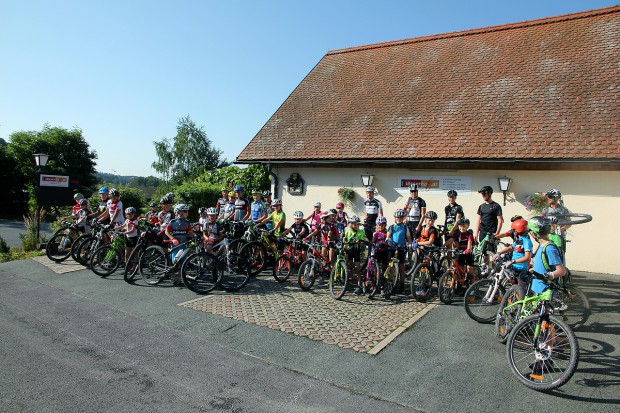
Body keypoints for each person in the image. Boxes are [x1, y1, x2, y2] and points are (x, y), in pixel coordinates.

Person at [527, 216, 566, 294]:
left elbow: (561, 271)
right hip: (537, 289)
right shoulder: (542, 246)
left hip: (545, 292)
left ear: (534, 234)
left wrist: (548, 275)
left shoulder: (550, 248)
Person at [494, 218, 532, 292]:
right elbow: (511, 247)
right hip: (515, 268)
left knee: (522, 291)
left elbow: (527, 257)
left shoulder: (526, 241)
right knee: (515, 289)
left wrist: (513, 261)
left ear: (516, 231)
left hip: (522, 270)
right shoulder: (519, 240)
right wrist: (499, 253)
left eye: (513, 230)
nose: (512, 232)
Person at [386, 209, 413, 294]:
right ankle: (390, 283)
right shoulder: (392, 227)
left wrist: (410, 245)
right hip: (392, 248)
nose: (399, 219)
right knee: (391, 266)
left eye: (401, 218)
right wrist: (388, 240)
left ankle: (402, 285)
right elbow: (388, 236)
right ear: (395, 218)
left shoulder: (405, 228)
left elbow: (409, 239)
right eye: (397, 217)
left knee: (401, 267)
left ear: (403, 218)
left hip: (401, 249)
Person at [165, 204, 193, 284]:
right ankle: (174, 275)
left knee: (184, 261)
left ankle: (181, 276)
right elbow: (166, 231)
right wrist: (172, 238)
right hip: (175, 245)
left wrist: (194, 237)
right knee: (175, 260)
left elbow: (190, 232)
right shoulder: (172, 222)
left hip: (184, 244)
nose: (186, 213)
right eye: (185, 211)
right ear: (179, 212)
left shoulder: (187, 222)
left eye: (187, 211)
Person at [474, 185, 503, 253]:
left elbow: (500, 220)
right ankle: (485, 264)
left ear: (489, 194)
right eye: (482, 194)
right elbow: (479, 220)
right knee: (483, 252)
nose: (483, 195)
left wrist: (497, 232)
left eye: (484, 194)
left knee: (491, 252)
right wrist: (476, 232)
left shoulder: (496, 206)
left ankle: (492, 264)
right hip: (482, 232)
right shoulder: (481, 206)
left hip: (491, 232)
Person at [541, 188, 571, 253]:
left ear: (556, 198)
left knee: (560, 255)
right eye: (548, 196)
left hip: (560, 236)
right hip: (548, 237)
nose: (548, 198)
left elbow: (569, 223)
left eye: (550, 197)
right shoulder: (545, 210)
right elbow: (541, 222)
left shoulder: (563, 210)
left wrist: (561, 228)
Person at [343, 215, 367, 295]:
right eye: (354, 224)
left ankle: (359, 284)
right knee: (349, 267)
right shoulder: (347, 231)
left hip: (357, 251)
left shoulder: (361, 232)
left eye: (357, 224)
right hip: (349, 251)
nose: (356, 226)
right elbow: (345, 239)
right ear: (351, 224)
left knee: (357, 268)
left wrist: (360, 242)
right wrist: (344, 244)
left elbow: (364, 242)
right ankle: (350, 282)